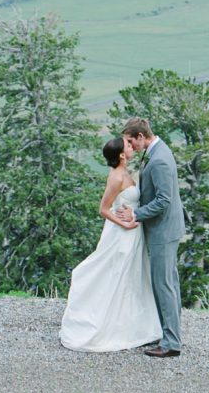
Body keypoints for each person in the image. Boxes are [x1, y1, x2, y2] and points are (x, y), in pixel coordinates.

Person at [59, 136, 161, 352]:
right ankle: (108, 325)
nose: (132, 146)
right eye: (127, 146)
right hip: (122, 234)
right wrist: (123, 224)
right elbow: (104, 209)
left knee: (132, 277)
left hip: (133, 232)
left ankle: (134, 326)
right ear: (122, 155)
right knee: (117, 276)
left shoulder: (126, 173)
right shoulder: (116, 177)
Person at [116, 117, 185, 358]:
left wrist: (136, 213)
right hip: (166, 230)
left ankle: (171, 343)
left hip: (163, 232)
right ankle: (170, 334)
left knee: (163, 285)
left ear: (141, 136)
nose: (131, 147)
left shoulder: (160, 161)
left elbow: (163, 201)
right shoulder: (159, 151)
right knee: (170, 283)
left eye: (131, 141)